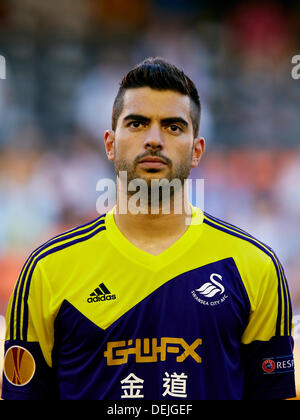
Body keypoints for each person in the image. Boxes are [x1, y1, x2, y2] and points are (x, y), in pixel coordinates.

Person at [1, 57, 296, 400]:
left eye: (173, 127)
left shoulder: (255, 267)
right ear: (110, 144)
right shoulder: (47, 270)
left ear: (197, 150)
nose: (154, 139)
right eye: (138, 123)